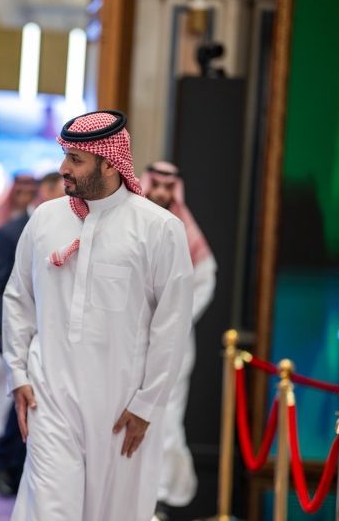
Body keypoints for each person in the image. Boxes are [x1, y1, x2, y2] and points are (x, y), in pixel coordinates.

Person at [3, 110, 194, 520]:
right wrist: (17, 373)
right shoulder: (45, 219)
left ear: (109, 163)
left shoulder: (159, 228)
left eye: (75, 159)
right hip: (49, 396)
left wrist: (148, 403)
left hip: (122, 406)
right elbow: (18, 298)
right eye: (65, 156)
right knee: (49, 510)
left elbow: (173, 323)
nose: (63, 168)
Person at [140, 161, 217, 518]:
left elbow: (205, 279)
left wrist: (174, 318)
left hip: (173, 345)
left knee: (166, 421)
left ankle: (157, 500)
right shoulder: (132, 222)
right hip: (129, 341)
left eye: (168, 187)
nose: (160, 192)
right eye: (156, 184)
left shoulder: (186, 231)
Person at [0, 172, 63, 496]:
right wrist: (9, 334)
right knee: (22, 399)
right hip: (19, 332)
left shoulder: (65, 229)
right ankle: (5, 466)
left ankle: (22, 469)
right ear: (46, 191)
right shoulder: (10, 231)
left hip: (50, 336)